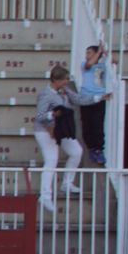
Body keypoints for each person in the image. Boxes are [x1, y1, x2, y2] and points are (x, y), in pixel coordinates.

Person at [34, 64, 85, 210]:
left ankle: (67, 184)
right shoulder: (45, 94)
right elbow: (40, 116)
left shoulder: (64, 90)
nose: (67, 81)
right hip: (45, 130)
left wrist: (98, 97)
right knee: (51, 160)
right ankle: (45, 196)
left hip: (60, 130)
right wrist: (53, 114)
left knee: (76, 152)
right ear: (56, 80)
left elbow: (78, 99)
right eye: (65, 79)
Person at [76, 44, 111, 165]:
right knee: (87, 124)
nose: (87, 55)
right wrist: (98, 52)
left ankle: (99, 149)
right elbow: (89, 64)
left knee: (98, 124)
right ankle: (91, 148)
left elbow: (115, 61)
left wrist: (104, 51)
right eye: (86, 53)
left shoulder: (103, 65)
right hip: (86, 97)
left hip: (99, 98)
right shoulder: (84, 65)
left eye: (89, 53)